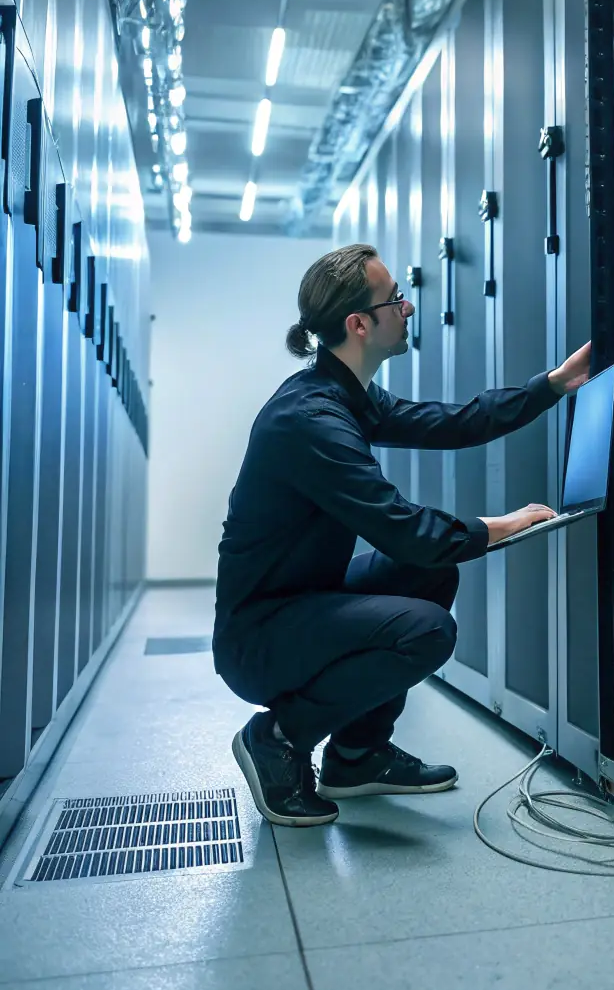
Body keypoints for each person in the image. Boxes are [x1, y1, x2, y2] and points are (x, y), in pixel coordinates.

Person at [213, 242, 591, 828]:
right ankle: (278, 738)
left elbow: (454, 421)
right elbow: (404, 529)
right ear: (359, 323)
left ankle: (356, 756)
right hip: (261, 636)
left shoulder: (345, 395)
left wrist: (553, 384)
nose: (409, 307)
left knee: (431, 575)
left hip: (303, 602)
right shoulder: (311, 420)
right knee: (426, 630)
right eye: (396, 299)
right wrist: (502, 525)